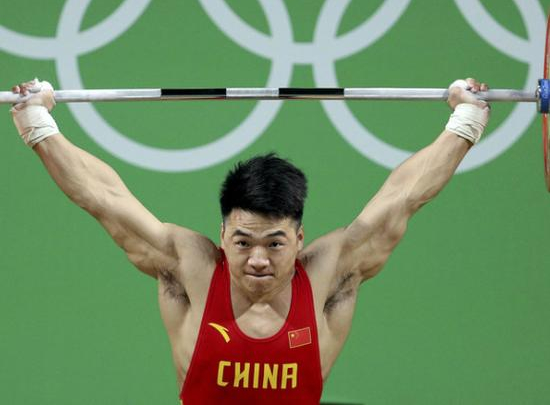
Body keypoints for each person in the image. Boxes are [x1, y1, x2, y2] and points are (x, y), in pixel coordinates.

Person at [10, 77, 490, 404]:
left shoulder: (329, 273)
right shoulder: (191, 267)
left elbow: (403, 198)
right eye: (242, 243)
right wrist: (38, 124)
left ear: (299, 238)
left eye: (275, 244)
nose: (258, 259)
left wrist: (465, 121)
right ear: (222, 235)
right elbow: (104, 199)